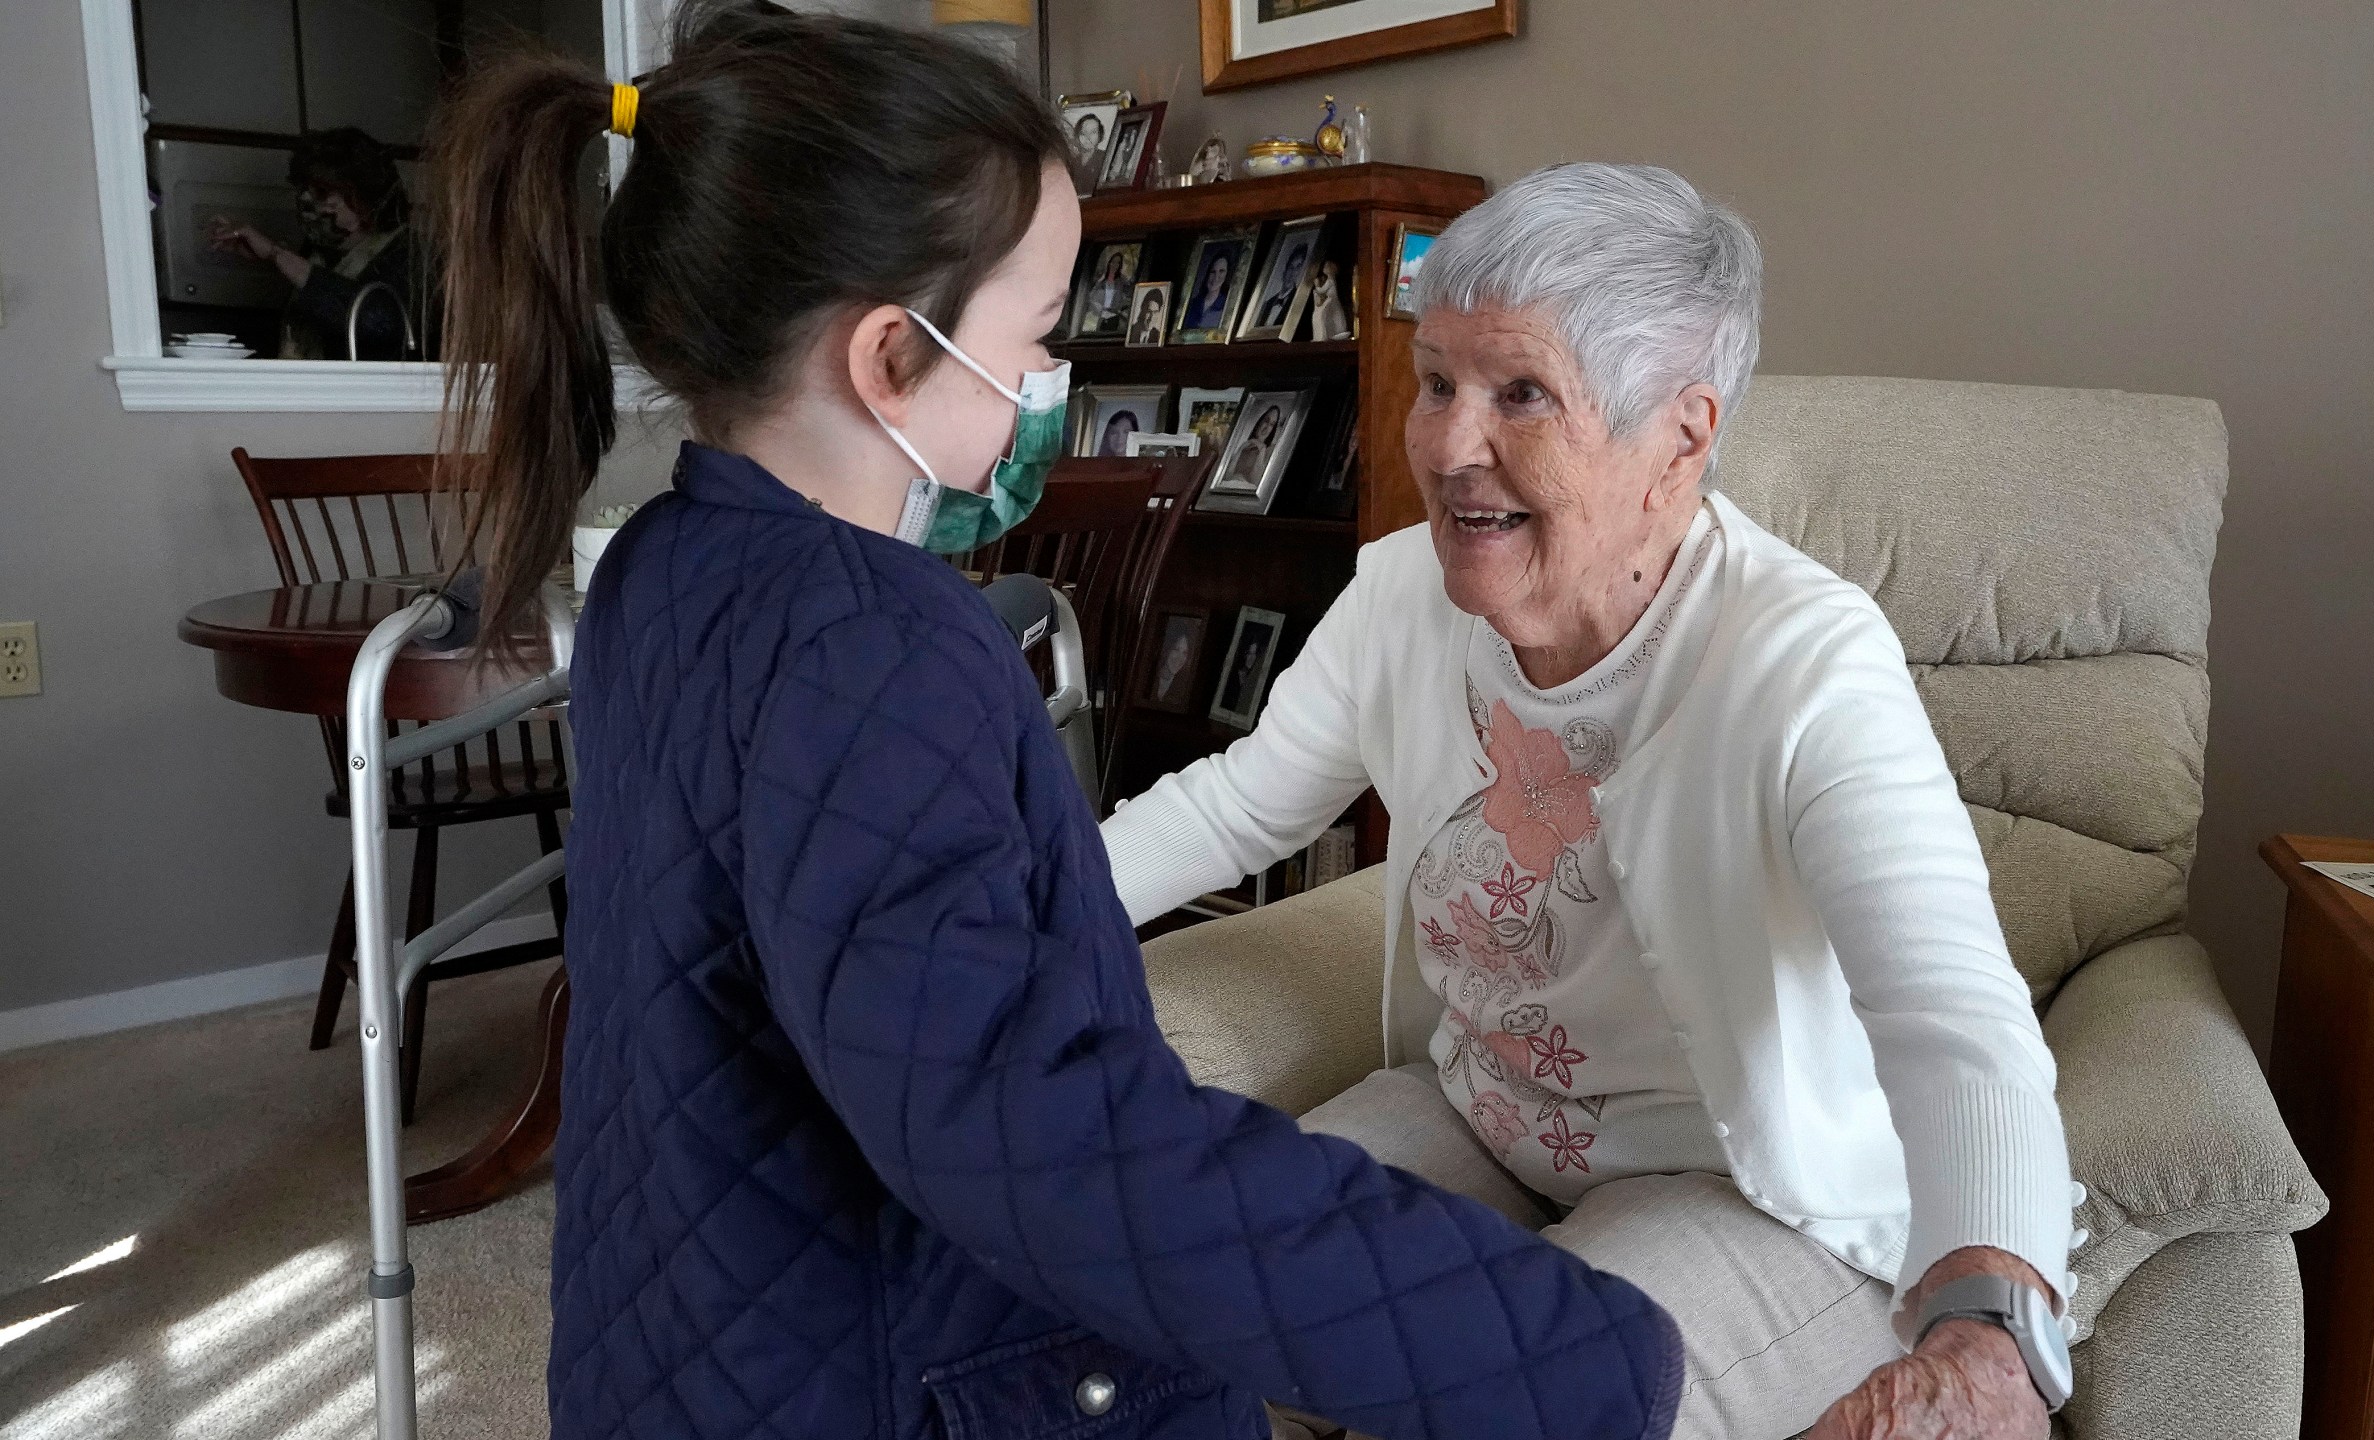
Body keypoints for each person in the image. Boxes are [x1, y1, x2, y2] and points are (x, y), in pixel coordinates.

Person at [428, 9, 1680, 1440]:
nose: (1049, 385)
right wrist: (1548, 1344)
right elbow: (1047, 1141)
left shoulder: (661, 564)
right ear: (889, 357)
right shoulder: (878, 644)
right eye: (1036, 336)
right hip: (896, 1376)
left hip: (695, 1335)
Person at [1101, 162, 2073, 1440]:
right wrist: (973, 921)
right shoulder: (1401, 593)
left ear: (1680, 437)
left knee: (1527, 1409)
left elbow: (1950, 1014)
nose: (1449, 446)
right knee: (1180, 1327)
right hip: (1476, 1110)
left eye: (1521, 395)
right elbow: (1235, 809)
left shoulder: (1803, 660)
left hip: (1736, 1181)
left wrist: (1994, 1335)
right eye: (1437, 381)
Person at [210, 127, 435, 359]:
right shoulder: (320, 252)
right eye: (305, 191)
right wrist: (273, 261)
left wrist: (277, 255)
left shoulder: (408, 251)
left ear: (360, 193)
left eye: (322, 193)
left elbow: (377, 320)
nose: (312, 205)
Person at [1254, 244, 1311, 330]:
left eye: (1297, 268)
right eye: (1291, 267)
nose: (1292, 273)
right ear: (1285, 270)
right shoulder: (1268, 303)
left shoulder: (1298, 301)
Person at [1185, 251, 1232, 332]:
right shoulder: (1192, 304)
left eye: (1221, 271)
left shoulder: (1228, 306)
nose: (1216, 277)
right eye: (1213, 272)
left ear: (1227, 274)